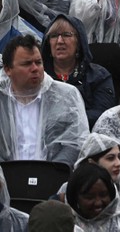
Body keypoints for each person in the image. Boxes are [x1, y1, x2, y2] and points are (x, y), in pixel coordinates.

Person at [0, 34, 89, 165]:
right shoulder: (2, 99)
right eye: (27, 64)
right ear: (8, 69)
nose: (35, 69)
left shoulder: (66, 96)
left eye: (38, 62)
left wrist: (51, 173)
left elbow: (77, 142)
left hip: (53, 178)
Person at [40, 14, 114, 127]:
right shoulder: (38, 75)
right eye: (54, 35)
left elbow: (103, 116)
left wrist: (66, 118)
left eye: (66, 35)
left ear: (79, 42)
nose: (60, 41)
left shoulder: (98, 76)